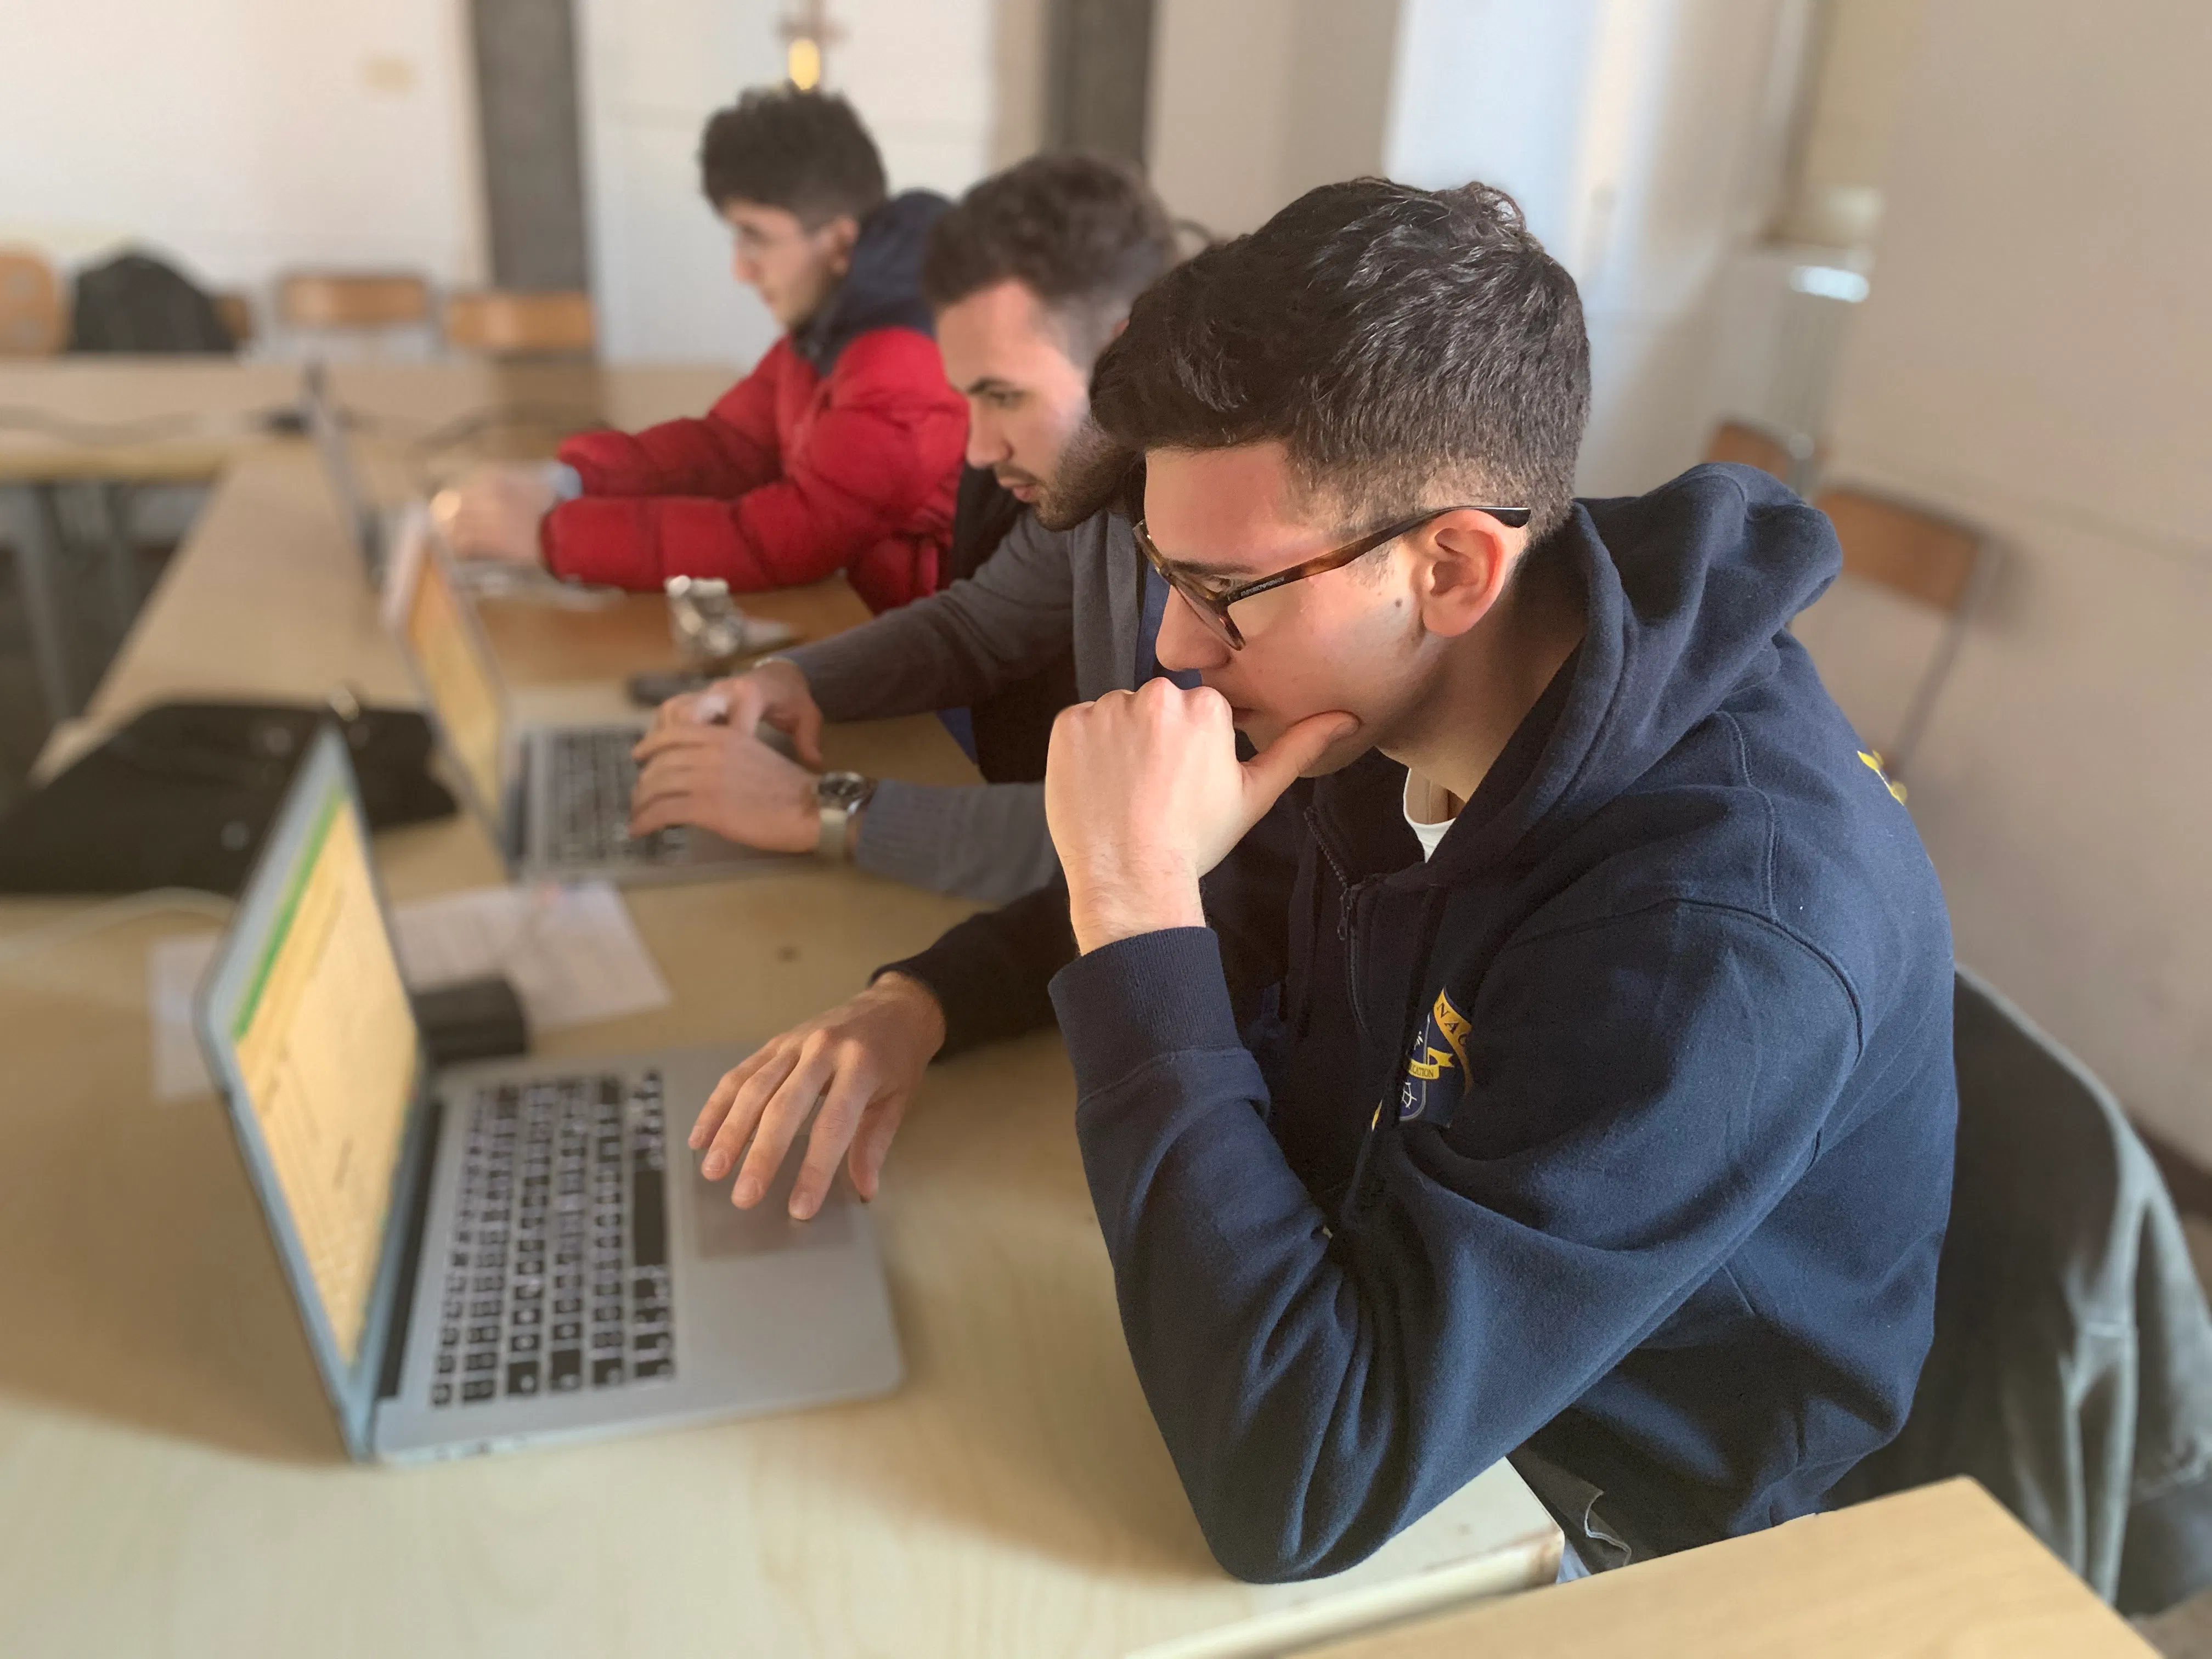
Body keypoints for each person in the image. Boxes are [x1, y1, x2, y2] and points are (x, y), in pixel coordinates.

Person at [689, 178, 1959, 1584]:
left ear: (1452, 566)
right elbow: (1221, 917)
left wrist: (1133, 908)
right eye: (1165, 574)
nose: (1176, 647)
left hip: (1597, 1511)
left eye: (1224, 591)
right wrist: (926, 1000)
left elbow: (1297, 1487)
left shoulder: (1717, 936)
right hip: (1351, 1290)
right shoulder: (1386, 696)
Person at [624, 153, 1183, 902]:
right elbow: (978, 629)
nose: (979, 450)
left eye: (1004, 397)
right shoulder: (1103, 477)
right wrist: (791, 680)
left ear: (1123, 352)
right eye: (968, 399)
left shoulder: (1216, 541)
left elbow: (1157, 855)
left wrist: (817, 810)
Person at [435, 86, 967, 613]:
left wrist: (553, 536)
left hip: (929, 654)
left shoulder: (904, 368)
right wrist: (570, 482)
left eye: (757, 237)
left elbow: (783, 539)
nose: (741, 269)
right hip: (864, 621)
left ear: (841, 243)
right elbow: (731, 446)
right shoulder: (836, 320)